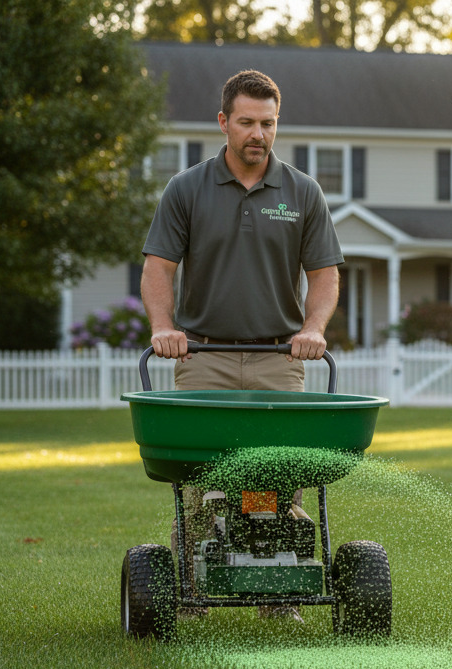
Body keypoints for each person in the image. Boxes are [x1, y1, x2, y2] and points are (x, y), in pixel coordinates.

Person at [140, 68, 344, 621]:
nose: (259, 134)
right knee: (201, 481)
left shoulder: (302, 192)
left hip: (281, 356)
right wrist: (164, 328)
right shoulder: (187, 189)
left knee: (280, 480)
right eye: (248, 122)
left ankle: (281, 596)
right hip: (202, 355)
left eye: (269, 124)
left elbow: (324, 275)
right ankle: (190, 596)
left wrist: (312, 330)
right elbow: (159, 268)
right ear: (224, 122)